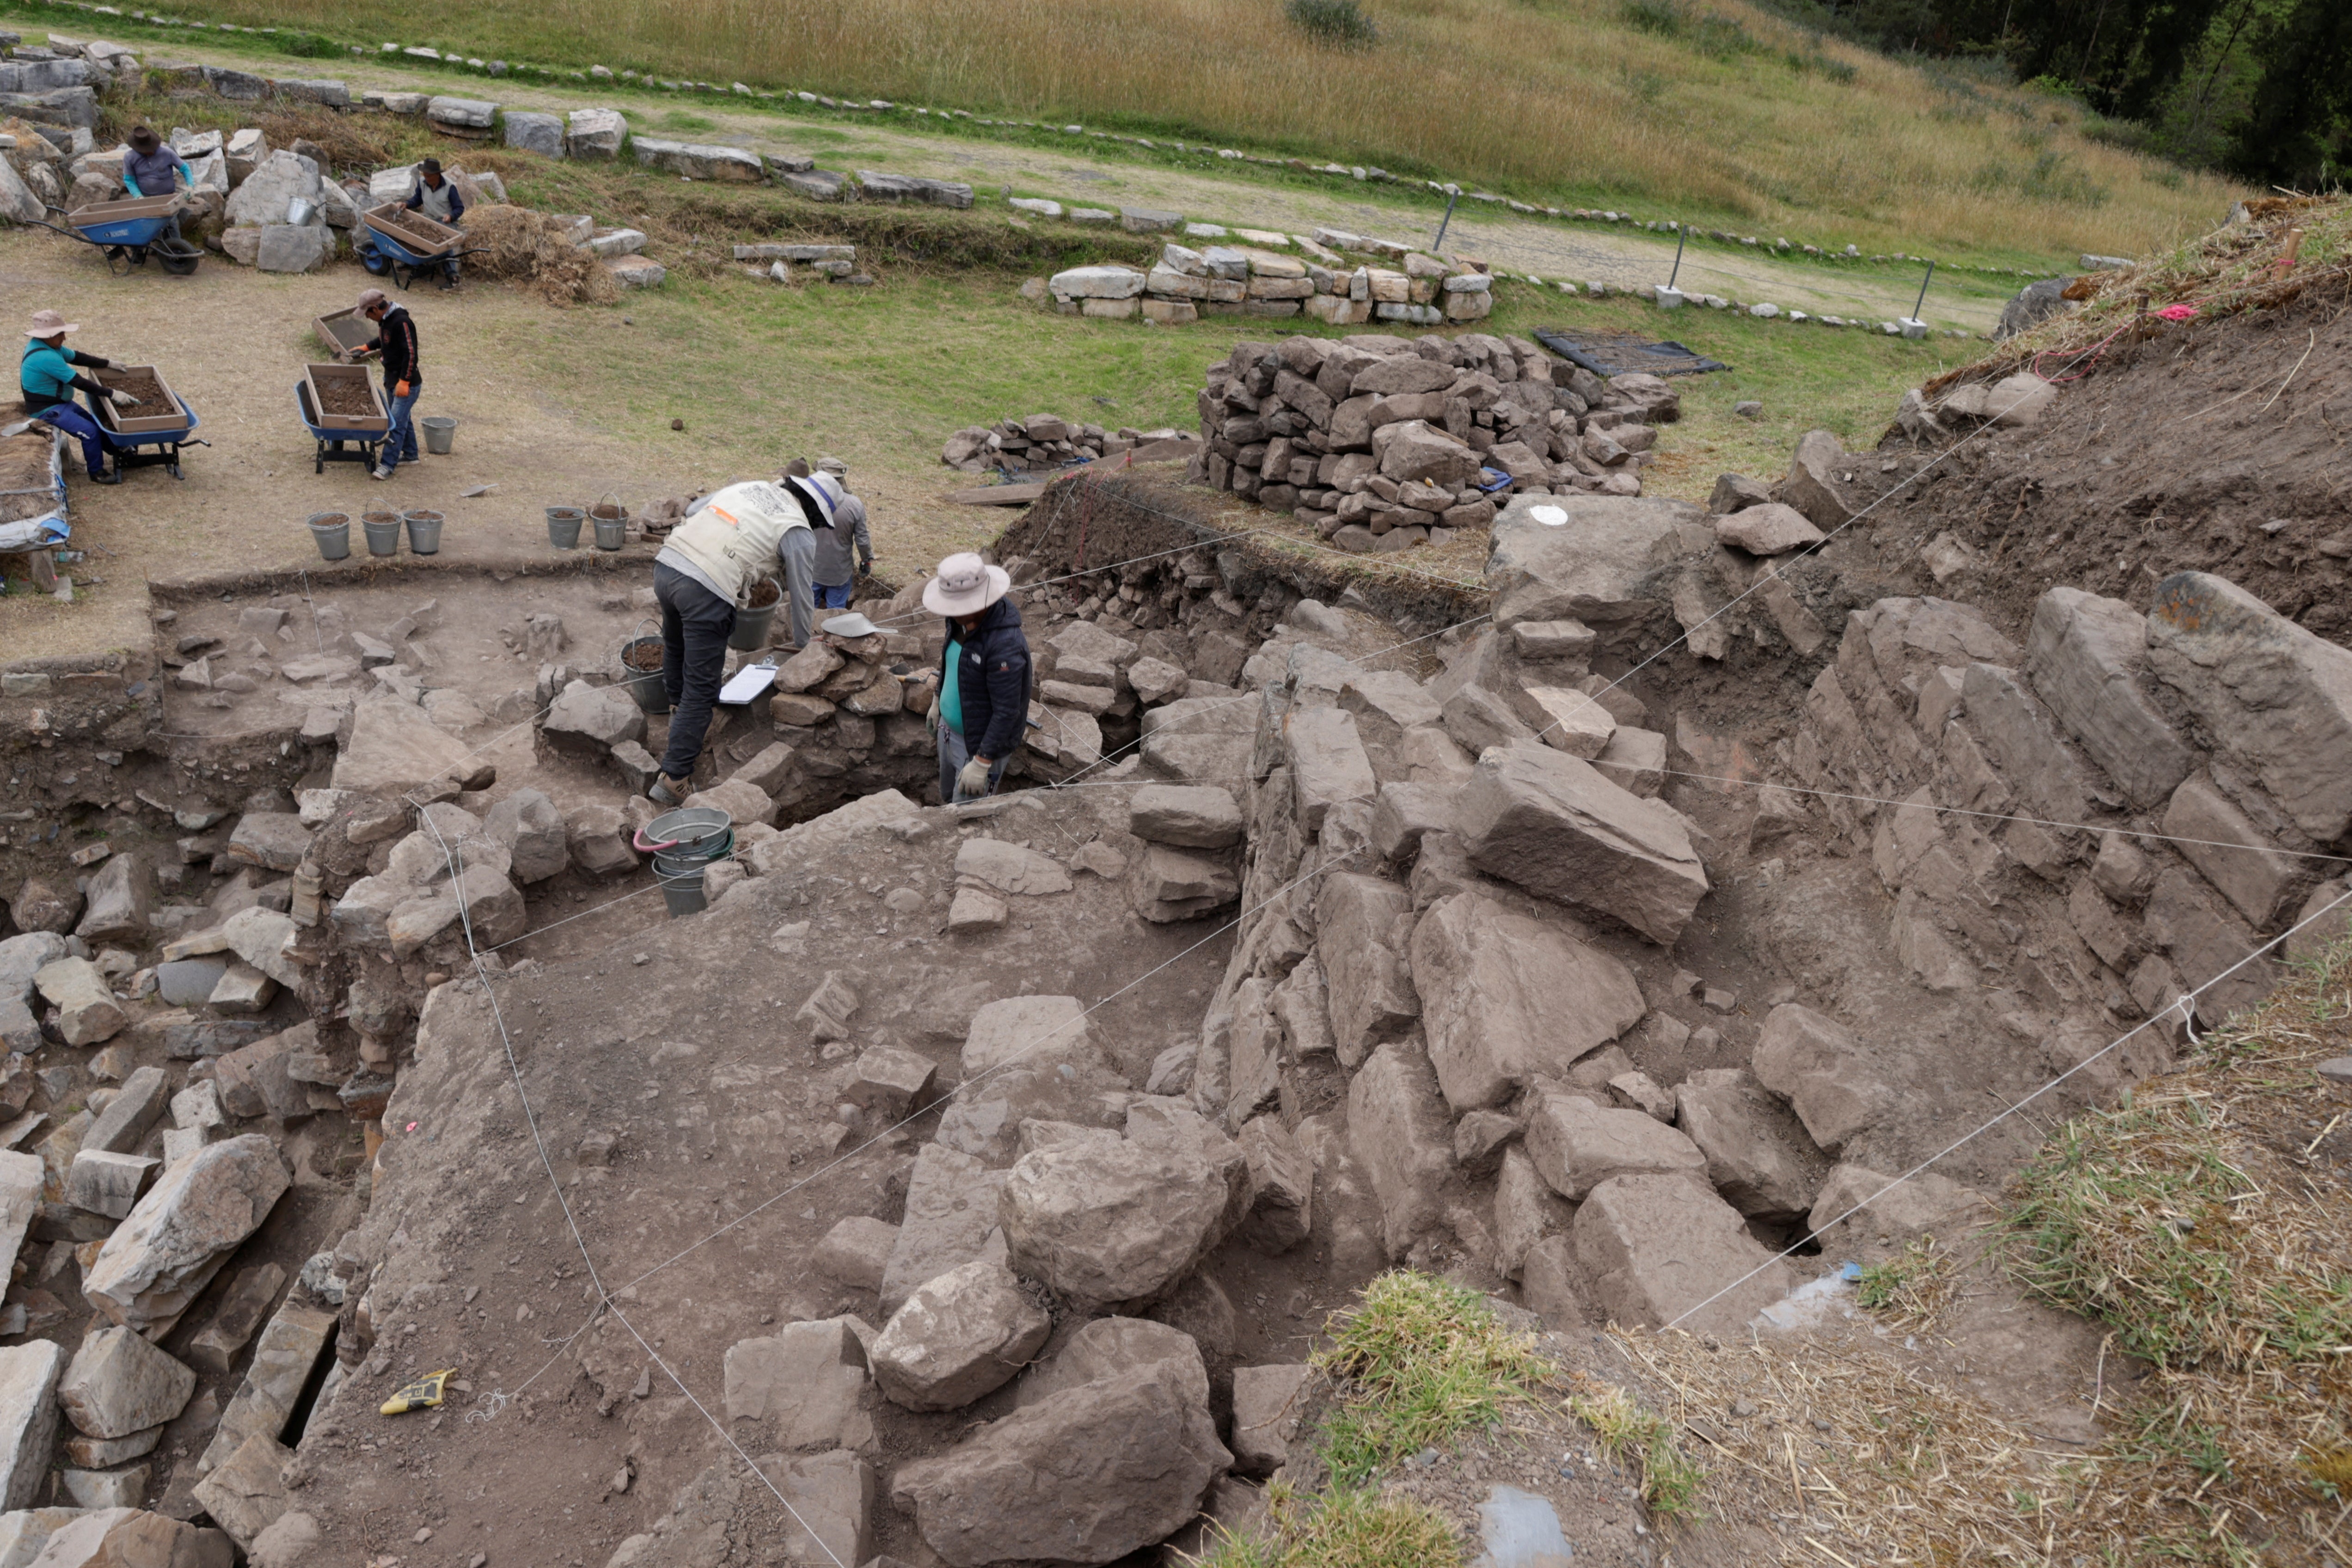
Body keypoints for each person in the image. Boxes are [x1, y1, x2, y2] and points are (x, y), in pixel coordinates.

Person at [648, 476, 821, 804]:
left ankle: (677, 712)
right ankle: (675, 778)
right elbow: (802, 592)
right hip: (705, 587)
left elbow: (698, 508)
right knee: (702, 688)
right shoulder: (798, 529)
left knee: (675, 645)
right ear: (815, 514)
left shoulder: (754, 488)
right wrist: (804, 644)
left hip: (669, 563)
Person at [926, 552, 1031, 804]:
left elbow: (1007, 711)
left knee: (965, 815)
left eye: (963, 608)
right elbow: (952, 662)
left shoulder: (1006, 645)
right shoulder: (958, 620)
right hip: (949, 734)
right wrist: (938, 698)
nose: (955, 613)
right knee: (947, 799)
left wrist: (983, 762)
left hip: (979, 748)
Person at [20, 310, 135, 485]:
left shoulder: (47, 346)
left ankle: (120, 452)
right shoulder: (45, 357)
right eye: (60, 334)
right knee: (90, 432)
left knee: (96, 423)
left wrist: (108, 363)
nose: (64, 338)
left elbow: (77, 357)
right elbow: (79, 382)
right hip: (47, 410)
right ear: (47, 335)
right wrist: (112, 393)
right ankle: (97, 472)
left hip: (61, 403)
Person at [351, 288, 421, 482]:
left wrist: (405, 381)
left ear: (375, 308)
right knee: (402, 418)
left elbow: (411, 354)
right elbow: (385, 341)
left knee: (396, 424)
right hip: (392, 379)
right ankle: (411, 454)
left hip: (405, 383)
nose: (367, 317)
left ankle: (387, 465)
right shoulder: (385, 320)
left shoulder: (402, 322)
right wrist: (366, 347)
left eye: (367, 313)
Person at [805, 455, 873, 611]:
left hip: (810, 570)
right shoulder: (855, 505)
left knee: (808, 611)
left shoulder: (807, 499)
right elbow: (862, 541)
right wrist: (866, 560)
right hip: (839, 572)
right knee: (836, 614)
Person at [117, 125, 192, 266]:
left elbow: (185, 169)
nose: (149, 152)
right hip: (145, 199)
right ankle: (138, 253)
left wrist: (190, 187)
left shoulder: (167, 153)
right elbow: (129, 180)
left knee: (171, 226)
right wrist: (138, 197)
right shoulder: (130, 157)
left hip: (168, 198)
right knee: (138, 226)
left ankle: (177, 254)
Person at [404, 159, 465, 290]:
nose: (426, 178)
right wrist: (407, 204)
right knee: (410, 231)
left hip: (445, 223)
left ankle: (453, 277)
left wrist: (451, 216)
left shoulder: (450, 187)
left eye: (429, 176)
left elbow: (459, 208)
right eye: (425, 175)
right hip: (428, 219)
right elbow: (417, 200)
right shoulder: (422, 183)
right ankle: (415, 263)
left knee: (444, 243)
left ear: (438, 175)